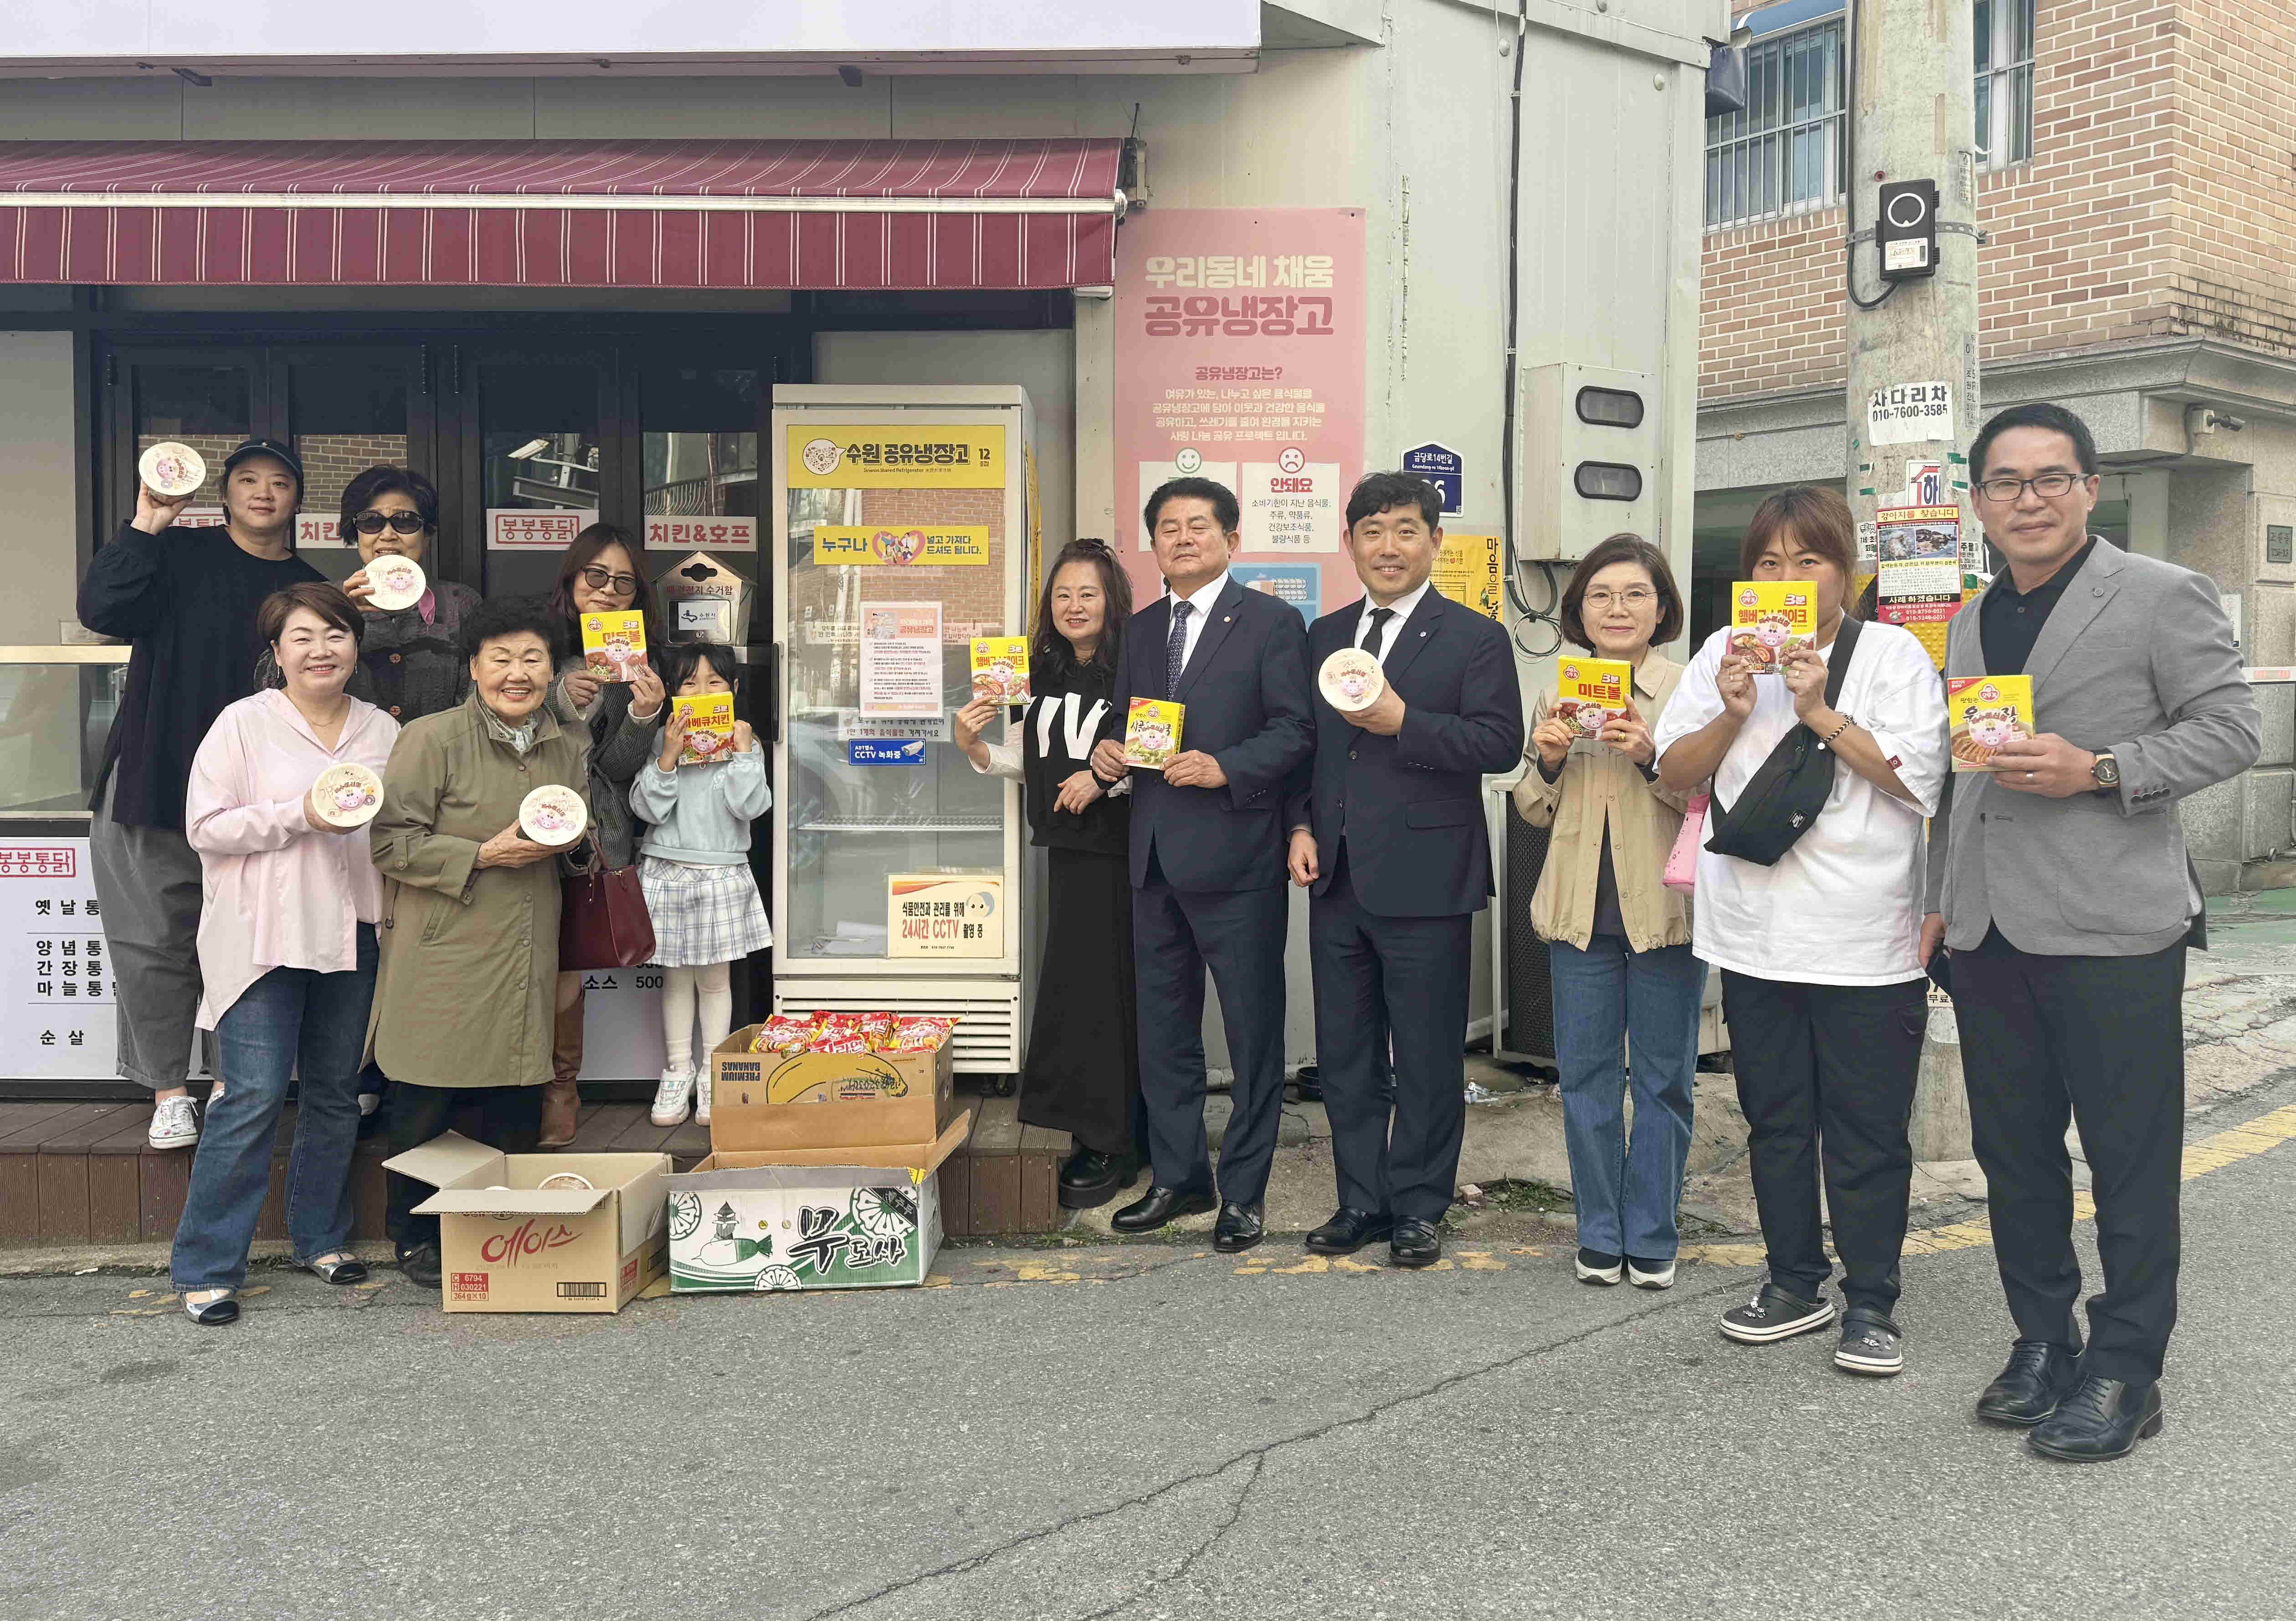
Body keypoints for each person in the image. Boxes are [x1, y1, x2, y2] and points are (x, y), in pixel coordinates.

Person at [1925, 403, 2260, 1462]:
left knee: (2125, 1157)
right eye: (2004, 481)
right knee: (2011, 1153)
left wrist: (2099, 769)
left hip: (2110, 924)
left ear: (2085, 489)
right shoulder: (1970, 619)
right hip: (1986, 929)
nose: (2026, 499)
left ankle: (2123, 1364)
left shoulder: (2160, 595)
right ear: (1975, 500)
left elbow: (2228, 730)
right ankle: (2040, 1337)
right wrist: (1939, 902)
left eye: (2048, 479)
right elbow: (1962, 783)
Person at [1652, 485, 1947, 1377]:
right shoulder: (1716, 653)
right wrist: (1733, 711)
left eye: (1805, 559)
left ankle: (1871, 1300)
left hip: (1866, 942)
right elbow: (1671, 772)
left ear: (1842, 573)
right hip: (1750, 933)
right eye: (1767, 562)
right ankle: (1790, 1280)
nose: (1785, 576)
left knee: (1864, 1128)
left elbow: (1916, 781)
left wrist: (1818, 709)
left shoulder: (1890, 654)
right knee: (1774, 1118)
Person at [1284, 474, 1522, 1268]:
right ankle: (1360, 1200)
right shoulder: (1321, 636)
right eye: (1373, 531)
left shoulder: (1473, 636)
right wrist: (1300, 824)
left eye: (1406, 530)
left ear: (1433, 542)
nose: (1388, 546)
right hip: (1337, 877)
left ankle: (1419, 1205)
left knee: (1424, 1055)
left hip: (1426, 875)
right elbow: (1308, 750)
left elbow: (1497, 745)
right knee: (1345, 1053)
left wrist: (1403, 723)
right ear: (1348, 542)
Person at [79, 438, 326, 1152]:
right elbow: (102, 607)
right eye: (248, 480)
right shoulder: (176, 554)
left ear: (297, 500)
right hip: (154, 773)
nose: (264, 493)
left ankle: (231, 1082)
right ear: (225, 494)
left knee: (245, 945)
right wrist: (146, 524)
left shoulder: (308, 587)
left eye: (280, 483)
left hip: (257, 796)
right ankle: (166, 1090)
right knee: (153, 938)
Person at [1087, 479, 1314, 1252]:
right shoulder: (1142, 628)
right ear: (1151, 544)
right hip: (1152, 856)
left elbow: (1294, 732)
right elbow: (1124, 721)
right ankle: (1180, 1176)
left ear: (1230, 538)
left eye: (1197, 526)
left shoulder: (1272, 623)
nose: (1181, 538)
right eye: (1166, 528)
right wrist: (1106, 752)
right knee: (1164, 1031)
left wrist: (1225, 766)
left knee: (1252, 1036)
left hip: (1237, 854)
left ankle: (1243, 1192)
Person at [171, 584, 399, 1325]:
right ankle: (207, 1266)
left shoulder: (381, 732)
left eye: (334, 635)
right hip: (260, 935)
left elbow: (398, 832)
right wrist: (299, 814)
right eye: (301, 637)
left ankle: (321, 1238)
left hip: (350, 928)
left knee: (335, 1093)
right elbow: (205, 827)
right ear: (277, 652)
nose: (320, 650)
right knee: (251, 1097)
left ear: (356, 646)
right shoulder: (243, 724)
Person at [370, 596, 591, 1287]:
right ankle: (415, 1233)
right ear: (473, 667)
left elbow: (577, 839)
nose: (516, 673)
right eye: (500, 659)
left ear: (551, 671)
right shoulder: (431, 738)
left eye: (532, 659)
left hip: (528, 941)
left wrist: (579, 845)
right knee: (423, 1097)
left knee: (512, 1096)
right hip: (445, 943)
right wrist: (481, 856)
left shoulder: (567, 743)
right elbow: (389, 842)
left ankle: (494, 1230)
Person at [1512, 533, 1702, 1290]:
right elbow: (1531, 807)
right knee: (1586, 1075)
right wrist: (1549, 758)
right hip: (1576, 912)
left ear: (1660, 609)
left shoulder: (1691, 688)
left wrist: (1650, 754)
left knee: (1663, 1079)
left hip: (1663, 910)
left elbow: (1707, 800)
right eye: (1599, 595)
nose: (1616, 608)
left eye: (1633, 594)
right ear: (1577, 611)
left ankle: (1651, 1228)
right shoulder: (1555, 688)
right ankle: (1598, 1228)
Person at [954, 538, 1142, 1208]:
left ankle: (1115, 1138)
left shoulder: (1136, 663)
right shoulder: (1036, 668)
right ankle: (1097, 1126)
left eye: (1087, 593)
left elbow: (1155, 748)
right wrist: (974, 745)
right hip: (1064, 850)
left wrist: (1104, 782)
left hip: (1123, 853)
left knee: (1109, 994)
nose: (1073, 605)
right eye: (1061, 595)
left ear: (1110, 600)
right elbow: (1021, 758)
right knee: (1075, 991)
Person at [337, 463, 483, 1123]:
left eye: (405, 522)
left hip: (437, 809)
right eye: (372, 522)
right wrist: (345, 622)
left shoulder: (460, 606)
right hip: (348, 807)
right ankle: (363, 1070)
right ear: (353, 534)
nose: (387, 535)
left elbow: (482, 697)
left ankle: (428, 1077)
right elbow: (277, 682)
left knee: (432, 944)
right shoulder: (328, 602)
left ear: (426, 535)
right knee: (361, 942)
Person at [541, 524, 667, 1146]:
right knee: (511, 957)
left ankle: (561, 1087)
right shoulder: (530, 643)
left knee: (566, 961)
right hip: (520, 819)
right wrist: (557, 697)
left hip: (587, 835)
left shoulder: (630, 663)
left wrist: (643, 716)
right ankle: (511, 1088)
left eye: (623, 582)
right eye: (596, 575)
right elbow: (491, 726)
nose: (609, 591)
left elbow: (615, 769)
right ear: (571, 577)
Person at [630, 642, 773, 1126]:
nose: (703, 691)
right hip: (667, 867)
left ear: (733, 689)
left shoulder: (744, 742)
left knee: (714, 980)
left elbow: (749, 806)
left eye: (715, 683)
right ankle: (677, 1072)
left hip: (721, 868)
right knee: (674, 976)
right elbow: (647, 810)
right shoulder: (661, 739)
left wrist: (743, 753)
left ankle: (714, 1073)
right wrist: (667, 757)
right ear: (672, 693)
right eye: (689, 683)